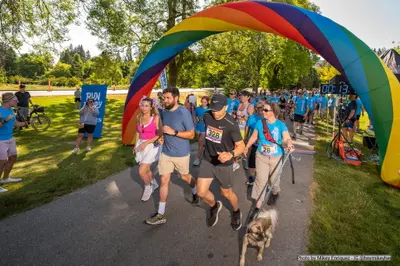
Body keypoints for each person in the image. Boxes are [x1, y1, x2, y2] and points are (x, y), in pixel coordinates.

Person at [146, 87, 198, 226]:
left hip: (181, 153)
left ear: (176, 98)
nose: (165, 100)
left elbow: (192, 134)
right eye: (164, 98)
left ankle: (195, 190)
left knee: (185, 177)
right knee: (164, 180)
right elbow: (161, 127)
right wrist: (161, 135)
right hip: (166, 152)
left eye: (168, 98)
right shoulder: (165, 112)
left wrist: (174, 132)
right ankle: (160, 214)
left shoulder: (183, 112)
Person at [196, 94, 245, 230]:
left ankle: (236, 212)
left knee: (226, 193)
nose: (215, 112)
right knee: (201, 192)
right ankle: (214, 206)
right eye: (213, 109)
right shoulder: (207, 116)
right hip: (208, 159)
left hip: (224, 163)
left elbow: (241, 146)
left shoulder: (231, 124)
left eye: (218, 109)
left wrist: (231, 154)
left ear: (226, 107)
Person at [245, 103, 294, 217]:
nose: (263, 112)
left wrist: (289, 144)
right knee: (260, 180)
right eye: (263, 109)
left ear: (274, 112)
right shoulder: (260, 123)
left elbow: (286, 138)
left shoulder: (280, 125)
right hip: (261, 156)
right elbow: (254, 136)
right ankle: (258, 207)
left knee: (273, 181)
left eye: (266, 110)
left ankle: (275, 192)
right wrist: (247, 147)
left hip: (276, 157)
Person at [134, 97, 162, 201]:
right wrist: (136, 144)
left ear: (151, 107)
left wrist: (145, 143)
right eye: (142, 105)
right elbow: (137, 131)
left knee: (141, 171)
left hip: (151, 145)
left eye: (146, 106)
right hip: (141, 144)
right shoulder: (138, 117)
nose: (144, 108)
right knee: (147, 169)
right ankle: (154, 183)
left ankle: (148, 187)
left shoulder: (156, 118)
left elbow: (159, 134)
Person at [0, 93, 29, 193]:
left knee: (13, 157)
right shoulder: (0, 111)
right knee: (2, 161)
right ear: (8, 101)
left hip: (10, 138)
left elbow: (15, 123)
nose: (17, 101)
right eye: (15, 100)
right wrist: (4, 121)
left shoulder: (11, 110)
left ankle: (5, 178)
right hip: (1, 140)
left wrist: (26, 123)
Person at [244, 102, 264, 186]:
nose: (260, 110)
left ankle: (260, 178)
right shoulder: (252, 117)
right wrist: (245, 138)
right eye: (258, 108)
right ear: (256, 109)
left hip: (263, 144)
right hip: (253, 143)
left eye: (262, 108)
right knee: (251, 160)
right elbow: (247, 128)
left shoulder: (266, 118)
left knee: (261, 162)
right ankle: (251, 177)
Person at [235, 90, 254, 171]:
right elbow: (236, 117)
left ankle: (246, 161)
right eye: (241, 95)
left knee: (245, 146)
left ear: (248, 97)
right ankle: (235, 162)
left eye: (243, 96)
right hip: (237, 128)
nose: (241, 97)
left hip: (245, 129)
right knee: (236, 145)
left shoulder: (250, 106)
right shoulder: (239, 105)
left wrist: (242, 115)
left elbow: (250, 121)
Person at [192, 96, 209, 166]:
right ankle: (203, 156)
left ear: (207, 102)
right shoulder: (198, 108)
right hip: (198, 128)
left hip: (205, 129)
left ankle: (198, 159)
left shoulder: (210, 110)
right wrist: (195, 121)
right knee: (200, 144)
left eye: (205, 102)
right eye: (202, 102)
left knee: (200, 144)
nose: (203, 103)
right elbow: (194, 115)